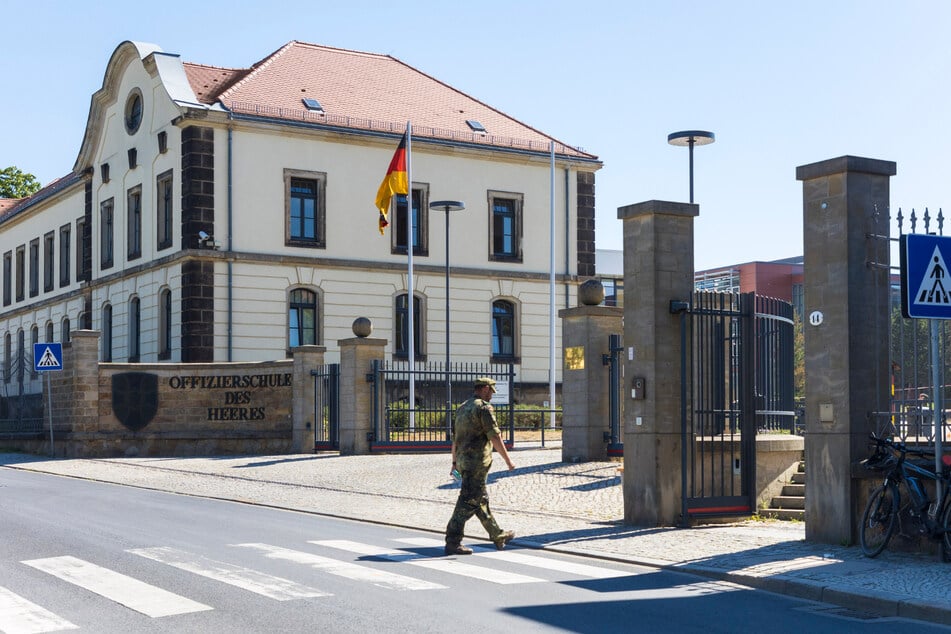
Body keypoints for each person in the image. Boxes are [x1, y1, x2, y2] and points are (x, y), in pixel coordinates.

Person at [444, 377, 516, 556]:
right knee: (467, 502)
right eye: (491, 390)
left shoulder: (462, 408)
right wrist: (508, 461)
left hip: (462, 461)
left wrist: (454, 463)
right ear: (483, 389)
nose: (492, 394)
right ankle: (452, 541)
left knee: (480, 500)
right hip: (476, 463)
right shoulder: (483, 408)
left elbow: (456, 440)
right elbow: (495, 436)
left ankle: (497, 535)